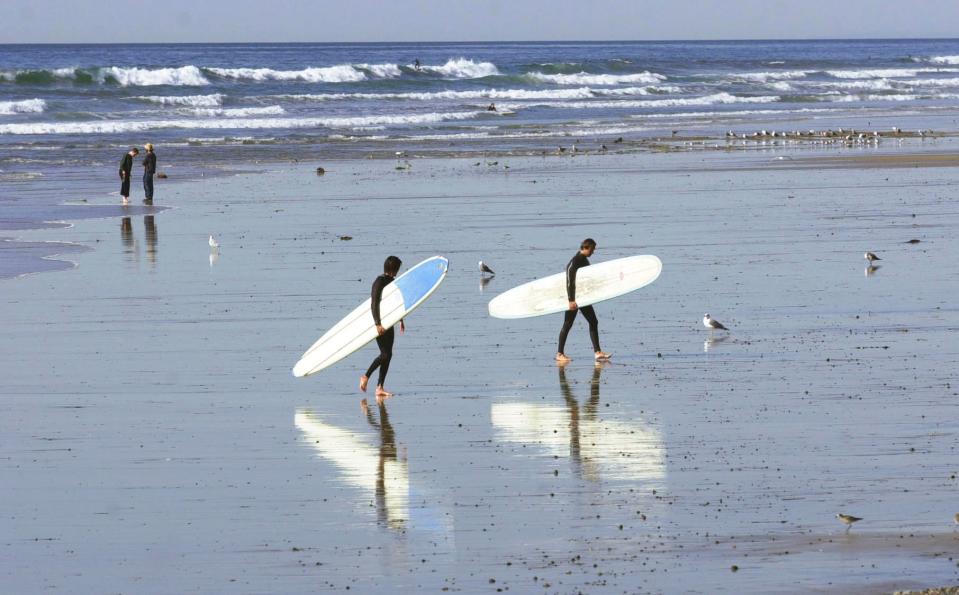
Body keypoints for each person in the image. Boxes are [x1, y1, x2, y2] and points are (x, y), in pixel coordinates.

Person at [556, 238, 611, 363]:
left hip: (582, 298)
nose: (593, 252)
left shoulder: (584, 260)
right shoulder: (575, 261)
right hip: (574, 299)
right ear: (586, 247)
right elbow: (569, 281)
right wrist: (571, 300)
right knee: (567, 324)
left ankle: (597, 352)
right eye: (592, 249)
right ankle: (559, 353)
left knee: (593, 321)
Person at [360, 256, 405, 399]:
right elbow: (374, 304)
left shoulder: (392, 282)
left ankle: (380, 387)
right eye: (397, 268)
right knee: (384, 354)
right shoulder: (379, 282)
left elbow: (395, 302)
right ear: (393, 268)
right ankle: (365, 376)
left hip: (389, 321)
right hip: (378, 323)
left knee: (389, 354)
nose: (398, 271)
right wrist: (377, 323)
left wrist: (400, 319)